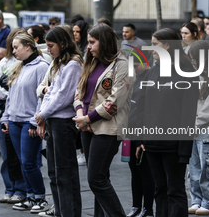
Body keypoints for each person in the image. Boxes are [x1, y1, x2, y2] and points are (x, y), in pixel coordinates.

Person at [73, 23, 134, 216]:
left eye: (92, 42)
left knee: (96, 179)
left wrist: (88, 119)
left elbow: (115, 100)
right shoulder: (90, 61)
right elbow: (79, 91)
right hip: (86, 126)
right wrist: (81, 114)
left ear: (105, 42)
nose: (88, 46)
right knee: (101, 178)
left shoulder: (122, 64)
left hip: (108, 128)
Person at [137, 28, 199, 217]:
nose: (151, 48)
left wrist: (184, 150)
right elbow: (144, 108)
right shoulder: (151, 73)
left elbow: (188, 114)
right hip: (152, 144)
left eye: (155, 44)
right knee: (160, 190)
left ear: (167, 45)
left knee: (175, 190)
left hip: (174, 145)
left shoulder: (187, 73)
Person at [36, 26, 83, 216]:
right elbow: (48, 91)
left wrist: (42, 114)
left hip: (64, 123)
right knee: (55, 173)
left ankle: (69, 212)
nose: (48, 49)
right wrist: (41, 115)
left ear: (62, 44)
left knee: (65, 173)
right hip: (54, 121)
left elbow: (63, 96)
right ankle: (61, 211)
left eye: (51, 45)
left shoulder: (73, 64)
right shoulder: (59, 63)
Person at [0, 34, 49, 213]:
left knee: (29, 162)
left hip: (30, 122)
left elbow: (42, 97)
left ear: (28, 46)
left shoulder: (42, 66)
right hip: (14, 121)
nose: (13, 51)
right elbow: (10, 97)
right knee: (22, 162)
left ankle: (40, 197)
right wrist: (5, 118)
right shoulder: (18, 66)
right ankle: (29, 197)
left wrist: (35, 121)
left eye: (16, 47)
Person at [0, 28, 27, 205]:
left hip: (23, 115)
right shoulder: (5, 61)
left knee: (22, 156)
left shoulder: (33, 63)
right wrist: (7, 93)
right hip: (4, 113)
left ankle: (22, 190)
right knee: (6, 156)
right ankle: (10, 188)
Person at [188, 41, 209, 215]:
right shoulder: (195, 78)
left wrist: (194, 124)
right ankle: (197, 199)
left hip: (207, 129)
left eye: (195, 59)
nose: (193, 63)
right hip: (194, 129)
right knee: (194, 167)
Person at [126, 48, 155, 217]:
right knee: (134, 172)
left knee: (145, 172)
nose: (133, 68)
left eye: (136, 65)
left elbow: (146, 110)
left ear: (145, 63)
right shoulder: (133, 78)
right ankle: (136, 206)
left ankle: (148, 208)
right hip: (129, 132)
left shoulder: (150, 79)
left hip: (142, 133)